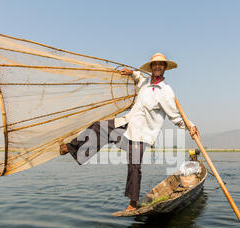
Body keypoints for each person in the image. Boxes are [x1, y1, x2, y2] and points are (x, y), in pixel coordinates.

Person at [60, 53, 199, 211]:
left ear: (165, 68)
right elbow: (139, 78)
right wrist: (132, 73)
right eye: (155, 65)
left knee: (134, 166)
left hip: (142, 134)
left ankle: (133, 204)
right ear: (152, 68)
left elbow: (175, 115)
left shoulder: (166, 92)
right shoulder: (146, 82)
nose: (158, 67)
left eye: (161, 65)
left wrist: (190, 127)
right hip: (127, 124)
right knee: (99, 127)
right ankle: (70, 148)